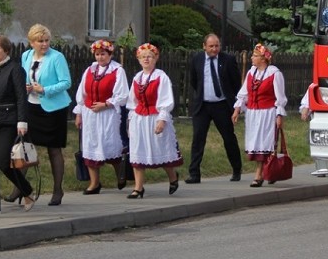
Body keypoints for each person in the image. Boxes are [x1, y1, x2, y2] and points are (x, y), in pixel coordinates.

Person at [12, 24, 72, 206]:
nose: (44, 44)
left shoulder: (57, 57)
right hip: (31, 106)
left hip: (53, 109)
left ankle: (57, 190)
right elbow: (23, 76)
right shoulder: (26, 56)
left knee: (53, 149)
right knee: (24, 147)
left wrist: (45, 89)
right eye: (40, 41)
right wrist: (26, 87)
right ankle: (19, 187)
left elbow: (66, 82)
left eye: (46, 41)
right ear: (31, 43)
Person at [0, 35, 36, 218]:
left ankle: (26, 190)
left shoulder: (15, 70)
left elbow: (21, 97)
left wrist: (22, 122)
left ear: (6, 50)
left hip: (9, 122)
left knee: (4, 162)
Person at [126, 43, 182, 198]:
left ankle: (173, 177)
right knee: (137, 152)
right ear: (138, 59)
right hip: (139, 119)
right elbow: (132, 102)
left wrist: (162, 119)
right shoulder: (137, 78)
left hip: (155, 117)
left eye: (149, 56)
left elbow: (166, 99)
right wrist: (130, 122)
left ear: (155, 58)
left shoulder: (161, 77)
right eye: (143, 57)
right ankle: (138, 188)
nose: (146, 59)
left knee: (160, 150)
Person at [73, 39, 129, 194]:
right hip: (90, 115)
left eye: (103, 54)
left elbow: (123, 95)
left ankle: (121, 176)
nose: (100, 58)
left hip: (109, 115)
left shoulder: (118, 71)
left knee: (111, 145)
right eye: (97, 54)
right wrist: (79, 113)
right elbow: (82, 93)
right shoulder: (89, 70)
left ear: (110, 54)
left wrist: (105, 104)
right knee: (90, 146)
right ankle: (94, 183)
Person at [187, 33, 243, 183]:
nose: (214, 49)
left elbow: (236, 82)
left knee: (229, 138)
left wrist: (235, 103)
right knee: (198, 138)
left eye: (217, 45)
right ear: (204, 46)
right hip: (203, 105)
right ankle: (194, 173)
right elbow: (194, 80)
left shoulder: (228, 60)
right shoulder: (197, 60)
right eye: (211, 46)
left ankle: (236, 169)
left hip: (222, 105)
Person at [232, 43, 287, 187]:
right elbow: (244, 93)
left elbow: (280, 97)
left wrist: (279, 115)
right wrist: (237, 109)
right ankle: (268, 171)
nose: (252, 58)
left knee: (266, 143)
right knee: (256, 143)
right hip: (253, 114)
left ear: (263, 59)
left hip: (267, 113)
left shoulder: (274, 73)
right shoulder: (252, 73)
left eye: (255, 56)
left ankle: (259, 174)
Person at [299, 83, 328, 177]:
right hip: (318, 117)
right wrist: (305, 109)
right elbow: (308, 97)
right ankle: (322, 168)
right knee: (318, 141)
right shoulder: (315, 85)